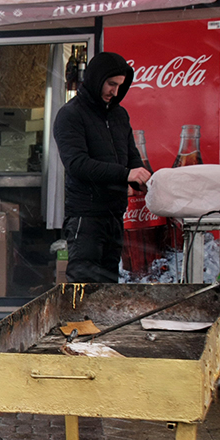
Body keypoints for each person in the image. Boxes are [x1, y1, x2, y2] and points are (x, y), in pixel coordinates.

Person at [53, 51, 151, 283]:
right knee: (84, 287)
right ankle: (79, 321)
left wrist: (147, 180)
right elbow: (77, 164)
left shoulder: (119, 115)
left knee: (108, 289)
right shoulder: (70, 115)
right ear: (96, 78)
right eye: (111, 84)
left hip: (114, 215)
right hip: (85, 217)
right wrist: (126, 174)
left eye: (120, 86)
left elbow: (131, 156)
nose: (115, 92)